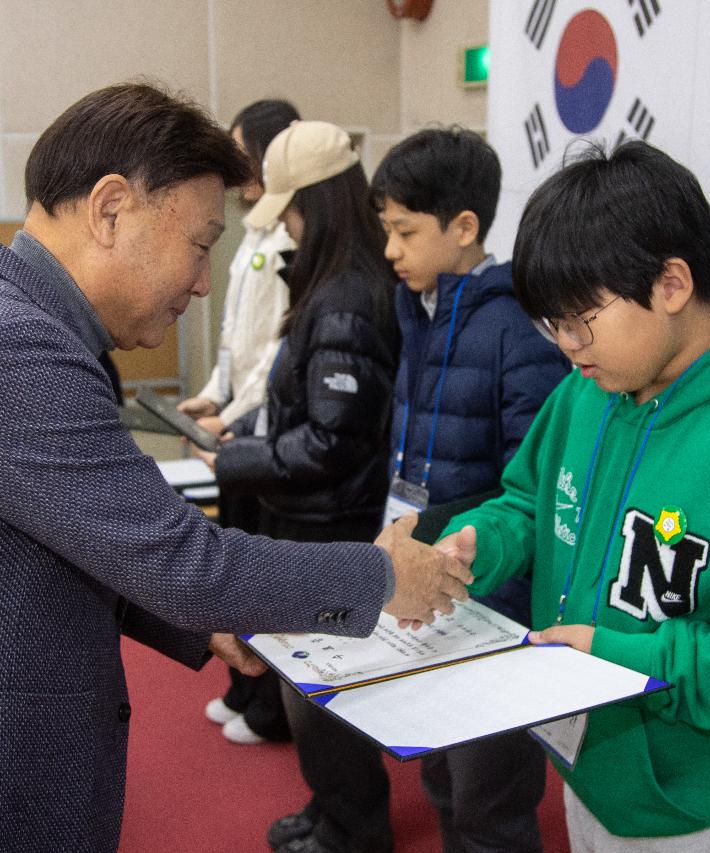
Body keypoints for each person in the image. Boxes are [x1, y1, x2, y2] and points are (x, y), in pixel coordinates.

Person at [0, 83, 473, 853]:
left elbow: (70, 541)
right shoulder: (8, 347)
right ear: (111, 209)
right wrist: (380, 574)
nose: (204, 280)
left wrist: (210, 616)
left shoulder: (2, 322)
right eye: (201, 244)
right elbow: (185, 563)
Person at [433, 140, 710, 849]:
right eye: (552, 324)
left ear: (672, 283)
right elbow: (531, 500)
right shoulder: (591, 388)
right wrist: (480, 541)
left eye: (581, 318)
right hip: (598, 769)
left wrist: (635, 661)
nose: (567, 346)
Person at [262, 126, 573, 853]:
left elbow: (528, 480)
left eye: (404, 231)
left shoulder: (515, 332)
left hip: (493, 597)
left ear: (465, 228)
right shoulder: (420, 311)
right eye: (385, 230)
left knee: (487, 794)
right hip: (429, 587)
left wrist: (430, 531)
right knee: (440, 774)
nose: (391, 250)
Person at [192, 120, 398, 853]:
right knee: (304, 686)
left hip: (328, 522)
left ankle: (353, 829)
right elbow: (306, 415)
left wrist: (238, 461)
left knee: (324, 693)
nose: (285, 227)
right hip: (305, 514)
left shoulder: (346, 298)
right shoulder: (331, 283)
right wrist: (248, 444)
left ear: (320, 204)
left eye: (292, 211)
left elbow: (333, 441)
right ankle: (332, 809)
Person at [179, 99, 300, 746]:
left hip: (262, 423)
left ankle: (265, 699)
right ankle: (243, 684)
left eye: (243, 150)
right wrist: (211, 396)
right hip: (236, 419)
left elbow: (277, 353)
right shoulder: (255, 227)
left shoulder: (290, 236)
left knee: (257, 561)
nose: (237, 164)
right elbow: (234, 337)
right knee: (231, 557)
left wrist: (235, 413)